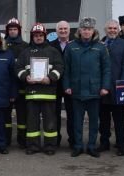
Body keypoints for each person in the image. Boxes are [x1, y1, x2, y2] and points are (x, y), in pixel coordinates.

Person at [64, 17, 112, 158]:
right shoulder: (71, 47)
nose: (86, 32)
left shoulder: (101, 47)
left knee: (94, 122)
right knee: (77, 121)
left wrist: (105, 87)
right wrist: (66, 85)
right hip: (77, 90)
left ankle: (91, 146)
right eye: (84, 29)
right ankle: (78, 146)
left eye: (89, 29)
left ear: (93, 31)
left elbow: (107, 69)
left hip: (94, 91)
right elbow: (66, 69)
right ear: (79, 30)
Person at [16, 23, 64, 155]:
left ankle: (50, 146)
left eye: (40, 35)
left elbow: (60, 67)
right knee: (32, 122)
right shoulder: (25, 52)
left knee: (50, 123)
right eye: (36, 35)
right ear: (32, 37)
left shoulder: (53, 51)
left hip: (48, 93)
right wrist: (25, 77)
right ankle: (33, 146)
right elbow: (18, 68)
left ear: (44, 36)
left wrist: (50, 78)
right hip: (31, 94)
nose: (38, 37)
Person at [99, 19, 124, 155]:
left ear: (118, 30)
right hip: (102, 87)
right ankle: (104, 142)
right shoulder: (99, 44)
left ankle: (121, 144)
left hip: (118, 86)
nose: (112, 30)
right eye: (110, 28)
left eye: (114, 28)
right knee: (103, 118)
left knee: (119, 118)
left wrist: (122, 84)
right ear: (105, 30)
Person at [4, 18, 29, 148]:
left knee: (22, 116)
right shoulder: (3, 45)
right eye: (10, 29)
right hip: (6, 86)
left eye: (15, 29)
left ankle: (22, 140)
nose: (13, 31)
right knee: (5, 117)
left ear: (19, 30)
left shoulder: (25, 46)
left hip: (22, 86)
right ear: (7, 31)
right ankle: (6, 140)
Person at [49, 20, 74, 148]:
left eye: (65, 29)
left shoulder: (75, 44)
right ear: (56, 31)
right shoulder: (50, 45)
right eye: (60, 29)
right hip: (55, 84)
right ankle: (55, 140)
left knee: (72, 113)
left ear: (69, 30)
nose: (63, 31)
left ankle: (73, 140)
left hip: (71, 84)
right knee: (54, 114)